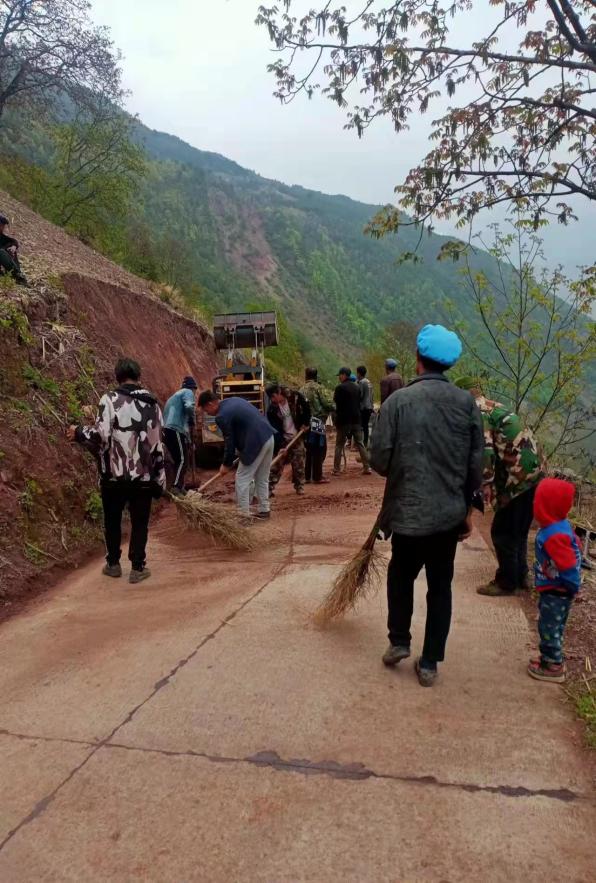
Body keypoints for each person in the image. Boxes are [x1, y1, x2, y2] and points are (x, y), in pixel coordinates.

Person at [371, 325, 484, 687]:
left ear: (418, 359)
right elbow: (475, 465)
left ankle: (399, 641)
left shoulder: (397, 403)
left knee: (400, 575)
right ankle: (431, 662)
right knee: (440, 586)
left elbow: (379, 461)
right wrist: (467, 511)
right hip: (447, 517)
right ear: (449, 364)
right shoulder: (466, 404)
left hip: (406, 513)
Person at [67, 357, 165, 584]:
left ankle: (113, 564)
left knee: (112, 519)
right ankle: (138, 568)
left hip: (113, 476)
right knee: (140, 522)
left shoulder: (109, 400)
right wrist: (160, 478)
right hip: (143, 476)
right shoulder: (152, 404)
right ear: (138, 376)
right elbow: (157, 443)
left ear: (117, 377)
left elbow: (101, 435)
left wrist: (79, 431)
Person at [464, 382, 543, 597]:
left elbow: (486, 450)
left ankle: (506, 582)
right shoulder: (497, 407)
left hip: (516, 477)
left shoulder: (479, 413)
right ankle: (521, 576)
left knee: (502, 531)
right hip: (534, 473)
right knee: (519, 529)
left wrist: (486, 483)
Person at [528, 477, 581, 683]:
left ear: (546, 506)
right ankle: (548, 657)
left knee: (549, 627)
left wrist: (573, 586)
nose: (534, 504)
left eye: (537, 501)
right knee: (552, 625)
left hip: (558, 592)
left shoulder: (554, 535)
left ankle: (553, 665)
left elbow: (568, 566)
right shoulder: (557, 526)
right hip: (555, 590)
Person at [197, 390, 274, 520]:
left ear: (210, 404)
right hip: (268, 436)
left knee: (242, 479)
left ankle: (243, 515)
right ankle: (264, 510)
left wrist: (226, 464)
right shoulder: (233, 400)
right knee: (262, 477)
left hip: (255, 443)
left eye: (206, 410)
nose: (207, 413)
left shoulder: (221, 416)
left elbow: (229, 442)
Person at [267, 384, 311, 495]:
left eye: (273, 396)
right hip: (283, 439)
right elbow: (274, 429)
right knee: (276, 466)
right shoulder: (272, 409)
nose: (272, 400)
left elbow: (307, 408)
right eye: (271, 398)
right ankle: (268, 488)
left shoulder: (295, 397)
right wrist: (281, 446)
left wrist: (305, 423)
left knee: (299, 463)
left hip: (297, 436)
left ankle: (300, 486)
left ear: (278, 392)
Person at [333, 367, 371, 475]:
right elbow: (359, 401)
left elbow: (337, 403)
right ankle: (367, 467)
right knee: (360, 443)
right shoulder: (357, 387)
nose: (339, 377)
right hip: (356, 419)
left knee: (339, 444)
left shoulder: (339, 388)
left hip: (344, 420)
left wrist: (336, 420)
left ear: (344, 375)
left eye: (340, 375)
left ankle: (336, 469)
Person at [163, 376, 197, 495]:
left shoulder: (175, 396)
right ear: (193, 388)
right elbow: (189, 406)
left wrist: (189, 442)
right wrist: (192, 418)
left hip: (168, 430)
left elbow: (184, 426)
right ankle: (176, 487)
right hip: (175, 429)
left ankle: (180, 486)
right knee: (182, 459)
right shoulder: (188, 392)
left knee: (179, 460)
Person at [300, 367, 334, 484]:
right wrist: (333, 408)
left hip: (305, 423)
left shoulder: (301, 389)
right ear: (316, 376)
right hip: (318, 421)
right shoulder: (319, 388)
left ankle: (307, 476)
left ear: (306, 375)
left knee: (309, 449)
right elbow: (327, 403)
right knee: (319, 448)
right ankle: (317, 476)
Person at [0, 214, 27, 286]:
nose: (2, 228)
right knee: (1, 252)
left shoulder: (1, 237)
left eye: (3, 226)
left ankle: (17, 275)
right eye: (1, 225)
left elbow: (13, 241)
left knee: (10, 249)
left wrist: (13, 246)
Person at [356, 365, 374, 446]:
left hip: (363, 407)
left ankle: (361, 443)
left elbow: (360, 395)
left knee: (361, 426)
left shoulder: (361, 382)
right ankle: (366, 442)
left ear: (359, 373)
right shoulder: (369, 382)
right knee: (366, 425)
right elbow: (372, 395)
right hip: (369, 406)